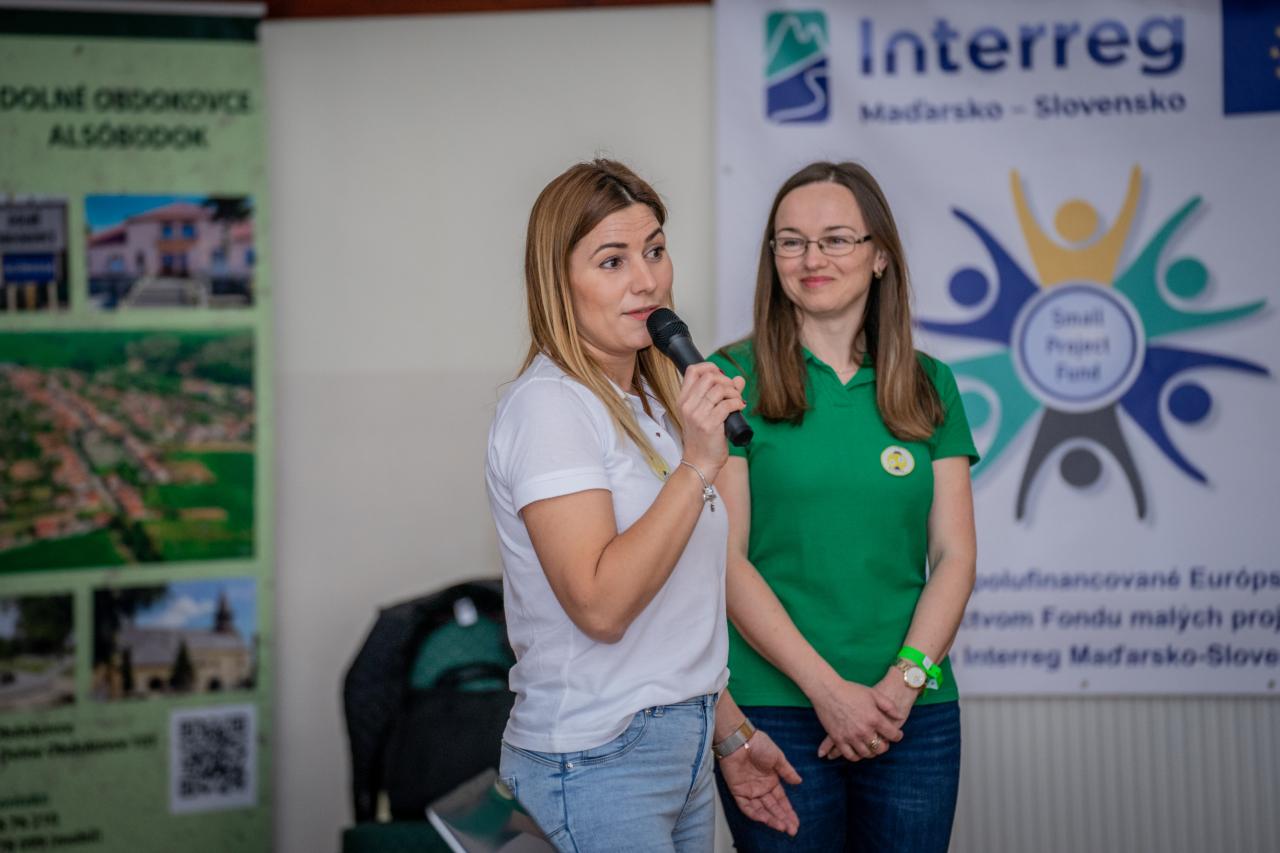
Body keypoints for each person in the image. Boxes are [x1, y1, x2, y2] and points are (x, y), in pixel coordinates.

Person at [485, 159, 801, 852]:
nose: (647, 281)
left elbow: (672, 613)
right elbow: (601, 607)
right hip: (594, 762)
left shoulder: (653, 405)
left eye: (655, 250)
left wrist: (730, 734)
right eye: (612, 261)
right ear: (557, 281)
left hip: (683, 751)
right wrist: (699, 466)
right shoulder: (550, 406)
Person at [709, 161, 979, 852]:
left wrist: (905, 679)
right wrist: (827, 690)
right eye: (791, 241)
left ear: (879, 254)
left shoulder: (930, 384)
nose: (812, 259)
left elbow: (954, 555)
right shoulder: (729, 377)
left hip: (910, 711)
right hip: (776, 708)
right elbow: (726, 561)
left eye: (835, 239)